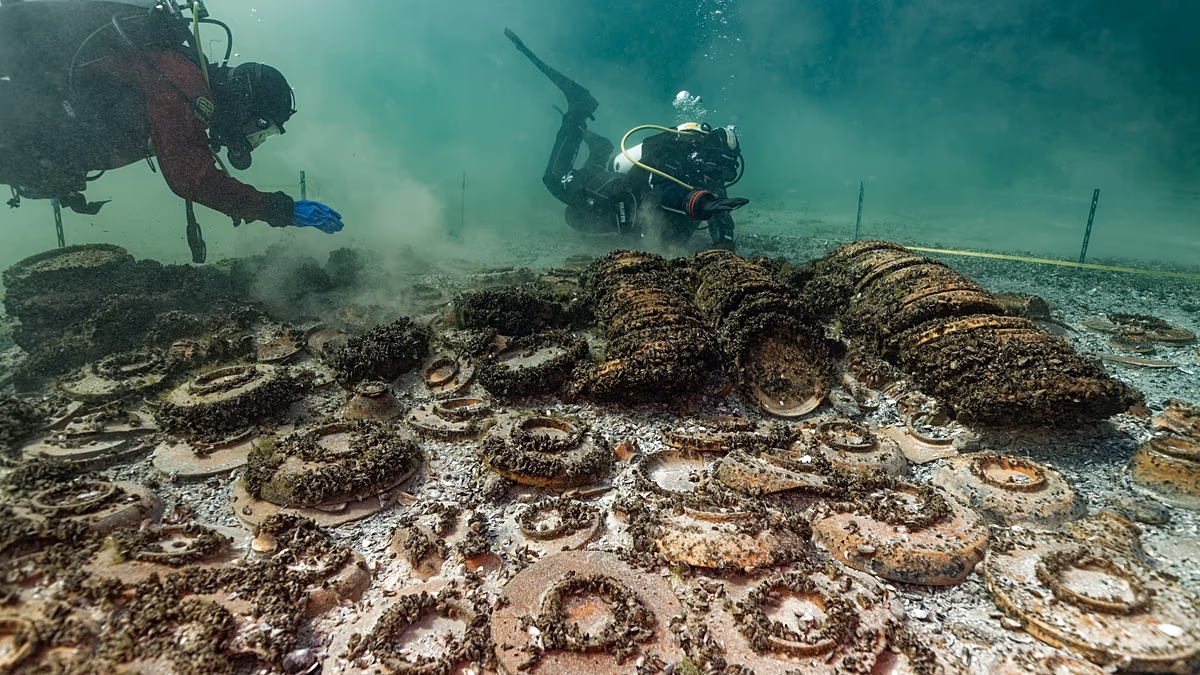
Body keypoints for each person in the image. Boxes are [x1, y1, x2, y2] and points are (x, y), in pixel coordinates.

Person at [0, 0, 342, 261]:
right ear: (243, 99)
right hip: (16, 130)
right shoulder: (184, 82)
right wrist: (280, 209)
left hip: (27, 141)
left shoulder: (185, 80)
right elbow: (191, 178)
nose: (253, 140)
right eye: (260, 127)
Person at [506, 29, 748, 252]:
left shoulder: (711, 172)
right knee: (555, 180)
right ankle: (579, 109)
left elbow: (720, 208)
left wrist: (723, 243)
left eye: (725, 172)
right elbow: (661, 189)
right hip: (620, 191)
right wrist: (699, 203)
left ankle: (599, 150)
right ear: (705, 155)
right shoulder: (675, 152)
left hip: (632, 207)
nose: (717, 176)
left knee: (576, 218)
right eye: (716, 168)